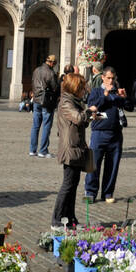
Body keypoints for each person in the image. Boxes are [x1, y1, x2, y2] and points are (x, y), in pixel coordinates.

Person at [52, 72, 92, 227]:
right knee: (67, 185)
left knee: (73, 184)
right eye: (81, 88)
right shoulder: (66, 102)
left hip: (76, 146)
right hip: (70, 148)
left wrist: (90, 116)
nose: (84, 91)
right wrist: (88, 112)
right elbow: (78, 118)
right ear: (75, 88)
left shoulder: (74, 101)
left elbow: (81, 121)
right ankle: (56, 220)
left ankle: (70, 218)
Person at [85, 66, 124, 204]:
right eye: (108, 78)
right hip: (99, 134)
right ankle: (90, 192)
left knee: (112, 166)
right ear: (103, 77)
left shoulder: (117, 92)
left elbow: (129, 107)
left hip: (116, 134)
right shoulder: (96, 92)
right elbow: (92, 113)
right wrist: (105, 96)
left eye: (113, 78)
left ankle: (108, 192)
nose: (111, 81)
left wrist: (124, 98)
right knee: (93, 164)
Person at [30, 53, 60, 158]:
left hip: (36, 100)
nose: (54, 65)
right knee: (46, 125)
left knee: (35, 126)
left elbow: (33, 82)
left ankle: (32, 150)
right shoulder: (50, 73)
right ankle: (43, 150)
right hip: (46, 101)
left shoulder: (36, 70)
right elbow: (55, 88)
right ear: (51, 63)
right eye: (54, 63)